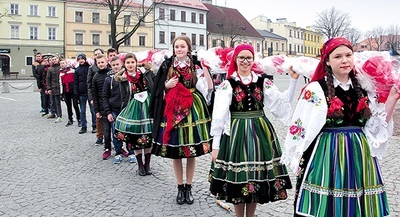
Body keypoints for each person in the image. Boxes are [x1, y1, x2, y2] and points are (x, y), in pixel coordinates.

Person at [281, 37, 400, 217]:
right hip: (328, 153)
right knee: (328, 207)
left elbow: (376, 125)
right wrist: (298, 158)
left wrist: (392, 99)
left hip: (360, 154)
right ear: (327, 61)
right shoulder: (315, 89)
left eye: (348, 55)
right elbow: (301, 127)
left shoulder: (364, 87)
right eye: (337, 56)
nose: (344, 60)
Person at [208, 43, 298, 217]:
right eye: (241, 57)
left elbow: (281, 102)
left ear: (253, 59)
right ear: (235, 59)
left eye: (248, 57)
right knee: (239, 179)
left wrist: (293, 80)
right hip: (237, 134)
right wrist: (216, 145)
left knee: (256, 177)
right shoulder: (229, 84)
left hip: (260, 133)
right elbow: (219, 116)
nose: (245, 61)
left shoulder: (262, 81)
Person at [149, 35, 214, 204]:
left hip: (192, 107)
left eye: (182, 46)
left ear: (188, 48)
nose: (179, 49)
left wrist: (206, 68)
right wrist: (166, 85)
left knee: (191, 151)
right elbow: (156, 88)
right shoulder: (167, 65)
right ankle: (180, 187)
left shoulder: (195, 64)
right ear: (173, 49)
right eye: (176, 46)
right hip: (172, 107)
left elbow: (208, 87)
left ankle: (189, 186)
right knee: (176, 152)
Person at [114, 53, 155, 175]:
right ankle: (140, 165)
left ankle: (147, 164)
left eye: (132, 62)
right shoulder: (123, 78)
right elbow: (123, 96)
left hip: (146, 105)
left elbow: (152, 87)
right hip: (132, 107)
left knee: (147, 135)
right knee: (134, 136)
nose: (130, 65)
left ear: (136, 63)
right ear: (124, 65)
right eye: (128, 63)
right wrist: (124, 109)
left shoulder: (145, 73)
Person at [102, 56, 130, 164]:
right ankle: (118, 152)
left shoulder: (127, 77)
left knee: (128, 131)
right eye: (113, 65)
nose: (116, 67)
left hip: (127, 109)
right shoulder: (108, 79)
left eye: (117, 64)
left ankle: (131, 151)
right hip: (114, 109)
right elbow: (104, 96)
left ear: (122, 64)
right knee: (116, 132)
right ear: (111, 66)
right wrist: (108, 112)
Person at [91, 54, 112, 157]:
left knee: (116, 130)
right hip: (102, 105)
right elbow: (94, 94)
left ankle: (119, 147)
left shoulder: (112, 73)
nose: (101, 64)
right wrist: (97, 110)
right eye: (98, 63)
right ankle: (107, 148)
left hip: (113, 105)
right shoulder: (95, 76)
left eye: (102, 62)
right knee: (106, 130)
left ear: (107, 62)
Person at [74, 53, 95, 134]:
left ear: (85, 59)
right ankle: (83, 126)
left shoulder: (89, 68)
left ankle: (94, 126)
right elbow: (75, 82)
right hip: (81, 93)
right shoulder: (77, 70)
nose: (81, 61)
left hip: (89, 93)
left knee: (93, 110)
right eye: (79, 59)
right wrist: (76, 93)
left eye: (82, 59)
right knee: (82, 111)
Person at [88, 48, 104, 138]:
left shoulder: (107, 66)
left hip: (106, 95)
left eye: (99, 54)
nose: (97, 55)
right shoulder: (92, 68)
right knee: (98, 117)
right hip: (96, 95)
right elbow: (89, 84)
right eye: (95, 54)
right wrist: (91, 98)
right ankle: (99, 136)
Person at [60, 58, 81, 127]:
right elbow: (60, 83)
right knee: (68, 106)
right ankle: (70, 119)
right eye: (61, 63)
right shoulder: (60, 73)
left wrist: (77, 90)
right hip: (66, 91)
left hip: (73, 90)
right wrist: (61, 93)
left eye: (63, 63)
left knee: (75, 105)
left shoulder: (72, 70)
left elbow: (76, 80)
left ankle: (79, 119)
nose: (62, 65)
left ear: (66, 63)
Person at [46, 55, 62, 123]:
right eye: (53, 59)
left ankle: (62, 115)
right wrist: (49, 88)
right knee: (55, 102)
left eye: (55, 59)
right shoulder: (50, 69)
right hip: (53, 87)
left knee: (62, 102)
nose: (54, 60)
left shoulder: (60, 67)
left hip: (61, 87)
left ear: (58, 59)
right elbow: (48, 79)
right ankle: (58, 115)